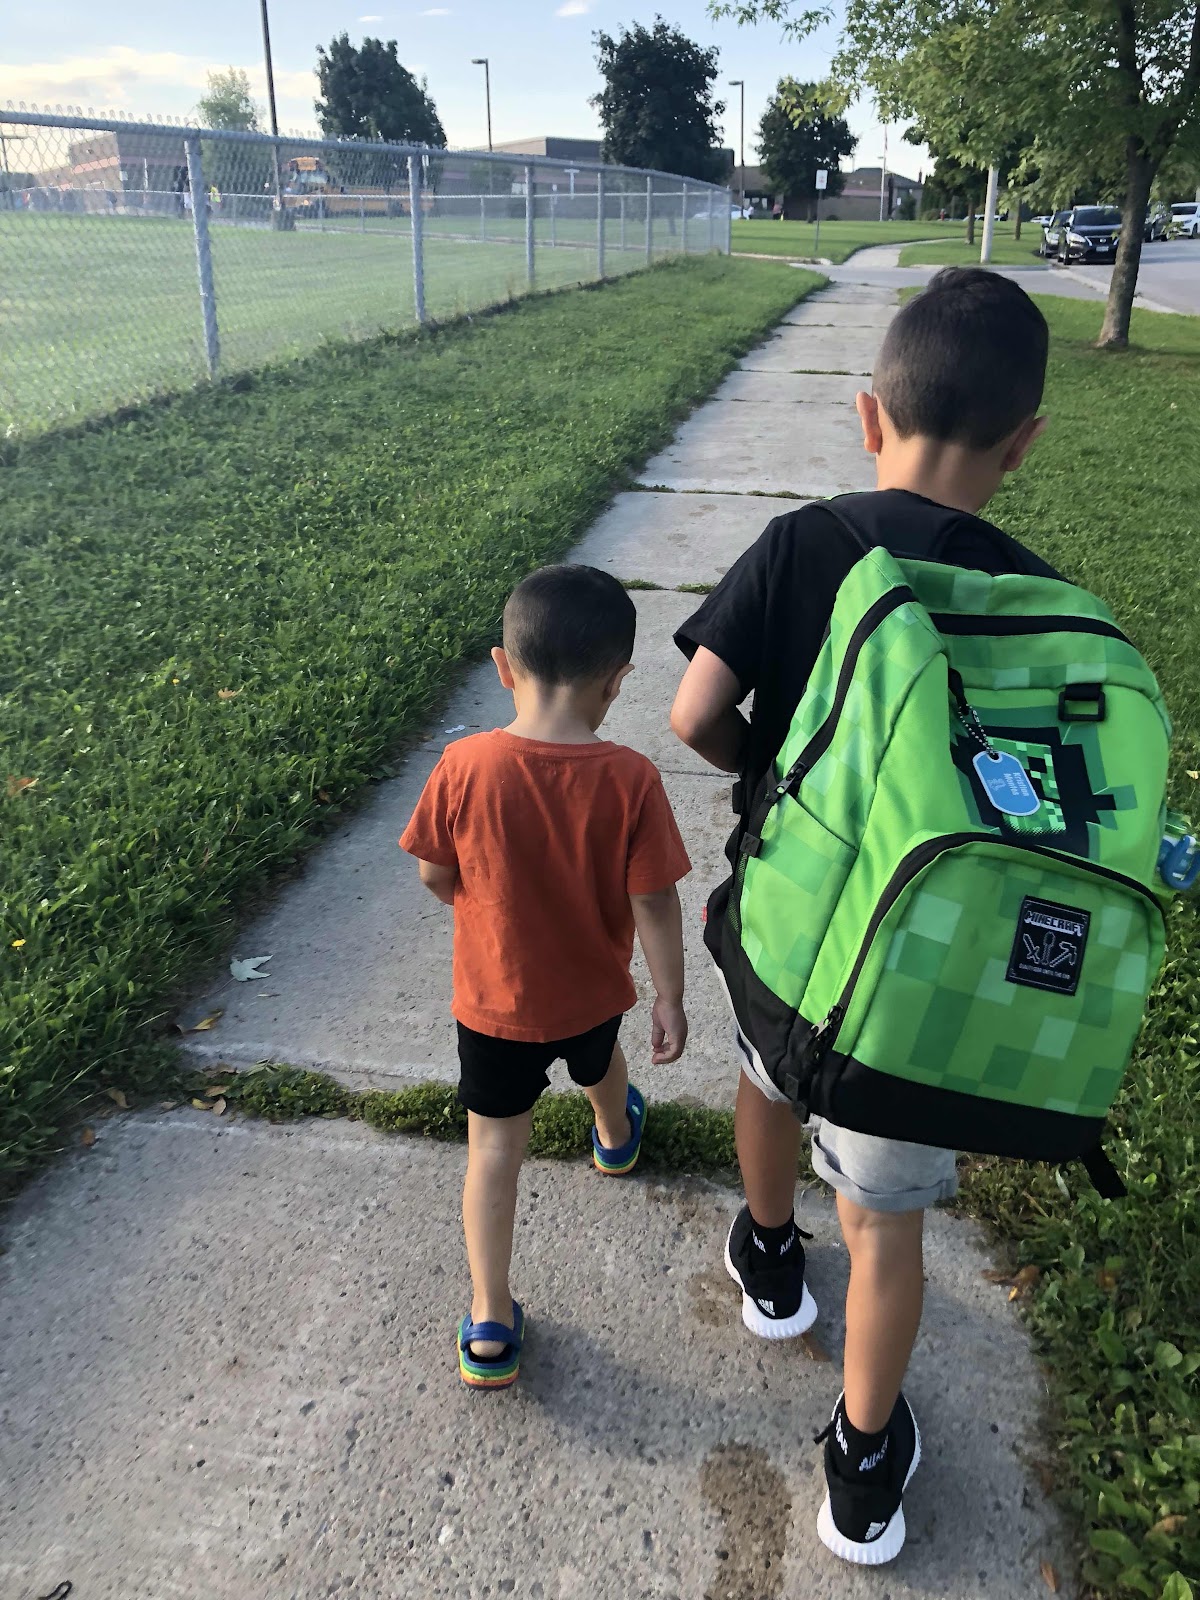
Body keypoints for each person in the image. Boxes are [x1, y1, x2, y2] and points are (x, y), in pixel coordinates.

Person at [670, 267, 1054, 1564]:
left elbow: (693, 714)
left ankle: (772, 1261)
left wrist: (770, 775)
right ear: (1023, 444)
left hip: (788, 930)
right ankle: (863, 1465)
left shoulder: (804, 542)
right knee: (887, 1226)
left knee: (765, 1083)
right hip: (921, 975)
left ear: (867, 414)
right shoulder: (1030, 595)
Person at [401, 565, 691, 1390]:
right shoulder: (631, 778)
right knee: (601, 1066)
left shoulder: (464, 764)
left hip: (493, 1005)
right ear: (617, 681)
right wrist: (669, 996)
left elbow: (433, 872)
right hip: (591, 994)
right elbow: (654, 899)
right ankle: (615, 1136)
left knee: (494, 1150)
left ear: (503, 667)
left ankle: (490, 1318)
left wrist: (474, 900)